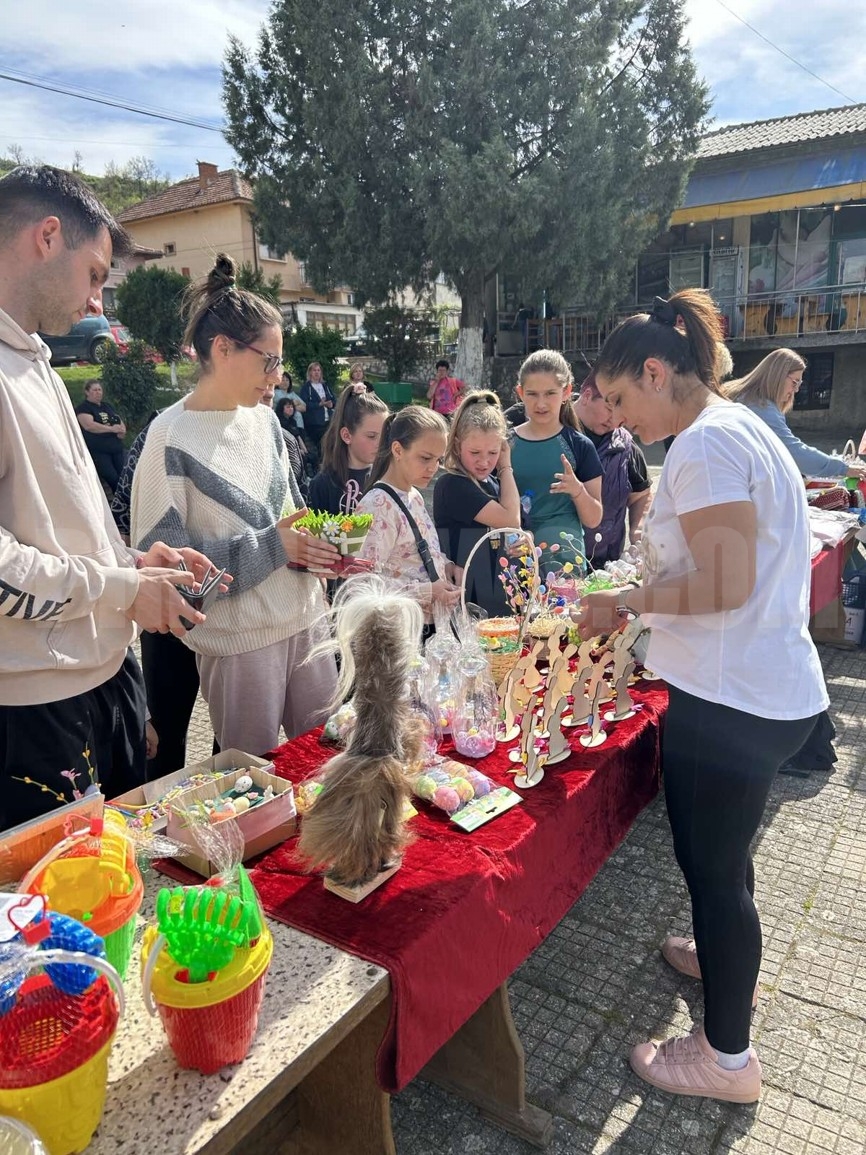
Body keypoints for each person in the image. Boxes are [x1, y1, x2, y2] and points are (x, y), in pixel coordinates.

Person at [577, 290, 828, 1103]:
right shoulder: (738, 427)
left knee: (714, 870)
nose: (616, 420)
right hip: (760, 687)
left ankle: (727, 1059)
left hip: (732, 699)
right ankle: (728, 966)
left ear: (657, 371)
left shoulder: (705, 445)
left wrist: (626, 602)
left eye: (619, 398)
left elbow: (721, 581)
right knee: (724, 861)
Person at [0, 164, 220, 830]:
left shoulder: (33, 357)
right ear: (46, 237)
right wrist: (121, 589)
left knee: (129, 891)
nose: (99, 301)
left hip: (100, 684)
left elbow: (56, 526)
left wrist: (132, 563)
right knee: (69, 920)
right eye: (96, 274)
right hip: (39, 708)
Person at [132, 254, 340, 756]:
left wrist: (320, 547)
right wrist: (275, 545)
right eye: (268, 359)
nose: (278, 374)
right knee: (252, 796)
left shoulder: (266, 422)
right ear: (223, 349)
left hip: (308, 622)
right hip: (242, 647)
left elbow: (290, 516)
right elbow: (170, 585)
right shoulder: (168, 438)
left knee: (332, 767)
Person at [356, 406, 461, 636]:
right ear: (397, 449)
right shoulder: (377, 505)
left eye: (438, 460)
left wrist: (448, 567)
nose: (433, 468)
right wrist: (428, 591)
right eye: (425, 458)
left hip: (426, 628)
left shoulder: (413, 495)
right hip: (398, 635)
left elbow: (413, 554)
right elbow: (363, 585)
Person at [510, 349, 603, 571]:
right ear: (520, 393)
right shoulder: (503, 445)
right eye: (532, 394)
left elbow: (594, 519)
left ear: (566, 392)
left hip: (565, 564)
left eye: (550, 393)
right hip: (515, 560)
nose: (541, 403)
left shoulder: (580, 446)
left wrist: (577, 490)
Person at [433, 391, 520, 616]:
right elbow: (511, 518)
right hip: (467, 603)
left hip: (497, 598)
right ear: (457, 444)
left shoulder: (492, 482)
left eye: (493, 452)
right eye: (475, 452)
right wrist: (506, 467)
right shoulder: (453, 484)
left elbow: (518, 527)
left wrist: (521, 539)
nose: (484, 461)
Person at [726, 349, 866, 480]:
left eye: (800, 384)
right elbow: (793, 452)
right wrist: (842, 468)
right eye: (795, 382)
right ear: (778, 376)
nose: (797, 390)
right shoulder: (762, 408)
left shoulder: (745, 396)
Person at [573, 371, 651, 567]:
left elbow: (641, 494)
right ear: (587, 396)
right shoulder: (549, 432)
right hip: (552, 563)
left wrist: (637, 529)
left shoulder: (625, 446)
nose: (614, 420)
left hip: (605, 567)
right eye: (609, 409)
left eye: (621, 414)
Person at [307, 384, 388, 514]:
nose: (380, 443)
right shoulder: (322, 484)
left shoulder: (386, 479)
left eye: (384, 435)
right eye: (371, 436)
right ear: (347, 435)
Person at [75, 378, 127, 493]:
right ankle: (119, 503)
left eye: (99, 390)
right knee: (112, 478)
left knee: (124, 477)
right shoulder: (84, 408)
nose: (98, 392)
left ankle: (127, 502)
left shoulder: (107, 406)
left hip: (116, 448)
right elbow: (89, 425)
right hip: (99, 450)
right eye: (94, 390)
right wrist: (111, 429)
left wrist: (121, 430)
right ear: (87, 392)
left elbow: (117, 419)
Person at [300, 361, 336, 459]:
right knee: (321, 445)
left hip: (328, 420)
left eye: (318, 370)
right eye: (314, 370)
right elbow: (304, 404)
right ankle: (320, 466)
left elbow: (333, 399)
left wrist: (331, 404)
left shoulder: (325, 386)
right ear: (310, 372)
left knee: (329, 444)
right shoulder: (306, 388)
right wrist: (319, 404)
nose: (316, 372)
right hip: (314, 422)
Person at [274, 395, 310, 495]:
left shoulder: (292, 421)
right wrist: (299, 450)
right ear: (282, 408)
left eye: (292, 407)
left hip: (296, 448)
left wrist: (304, 449)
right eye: (288, 407)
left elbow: (297, 436)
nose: (291, 409)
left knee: (309, 456)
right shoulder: (279, 421)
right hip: (287, 450)